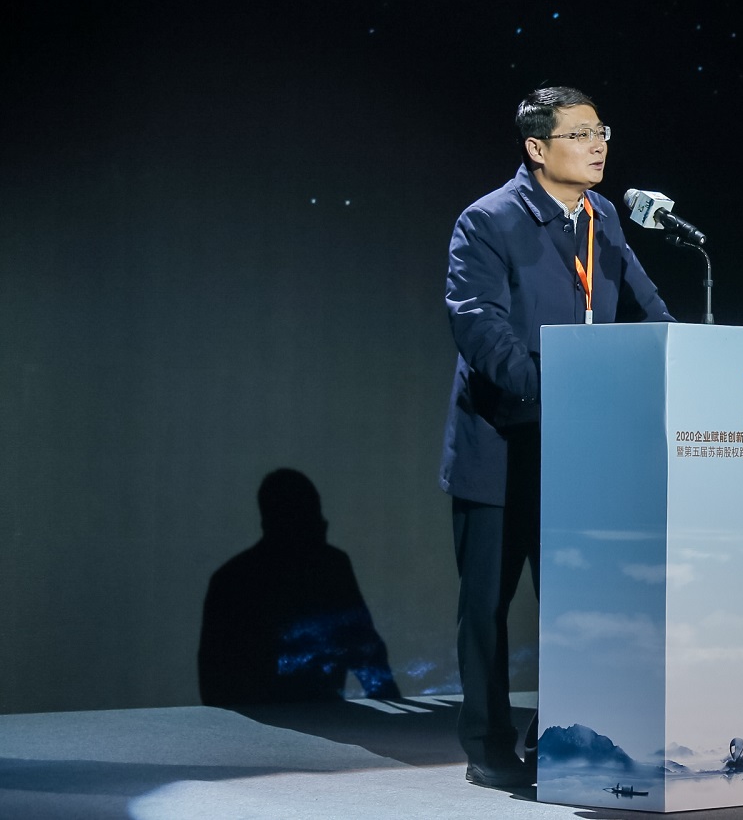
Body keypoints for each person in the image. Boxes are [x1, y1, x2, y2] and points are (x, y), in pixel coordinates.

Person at [441, 86, 672, 790]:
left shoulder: (602, 217)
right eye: (579, 133)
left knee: (578, 607)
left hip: (581, 452)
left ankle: (562, 739)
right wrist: (560, 391)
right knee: (487, 606)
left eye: (601, 130)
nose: (598, 144)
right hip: (501, 445)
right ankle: (487, 746)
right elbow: (479, 326)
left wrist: (684, 359)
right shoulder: (488, 220)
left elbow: (647, 310)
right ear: (537, 148)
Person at [197, 468, 400, 706]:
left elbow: (212, 678)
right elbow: (364, 648)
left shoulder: (231, 579)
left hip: (267, 718)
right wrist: (393, 711)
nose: (321, 525)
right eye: (312, 515)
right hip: (322, 715)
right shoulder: (331, 567)